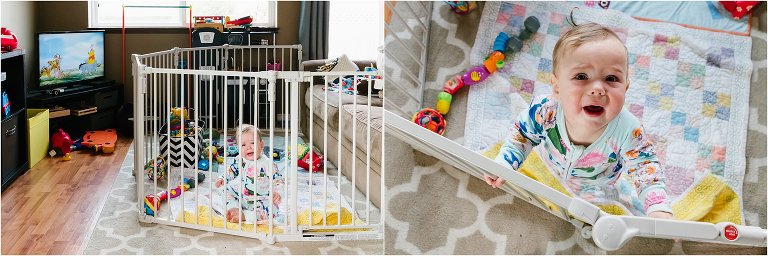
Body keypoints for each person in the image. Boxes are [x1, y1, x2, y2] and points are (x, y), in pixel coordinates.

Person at [485, 22, 673, 219]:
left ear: (625, 88)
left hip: (600, 185)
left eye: (611, 78)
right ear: (557, 88)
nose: (598, 88)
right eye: (582, 76)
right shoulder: (545, 111)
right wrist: (505, 164)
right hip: (551, 166)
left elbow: (645, 166)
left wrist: (657, 207)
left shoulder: (628, 129)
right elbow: (522, 136)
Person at [215, 124, 282, 223]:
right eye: (243, 145)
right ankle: (234, 208)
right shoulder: (240, 160)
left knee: (271, 210)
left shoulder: (268, 163)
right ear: (238, 148)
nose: (248, 147)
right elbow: (232, 170)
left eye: (253, 143)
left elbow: (278, 180)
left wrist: (277, 192)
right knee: (226, 190)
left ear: (262, 145)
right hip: (244, 198)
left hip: (262, 200)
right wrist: (223, 178)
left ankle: (246, 216)